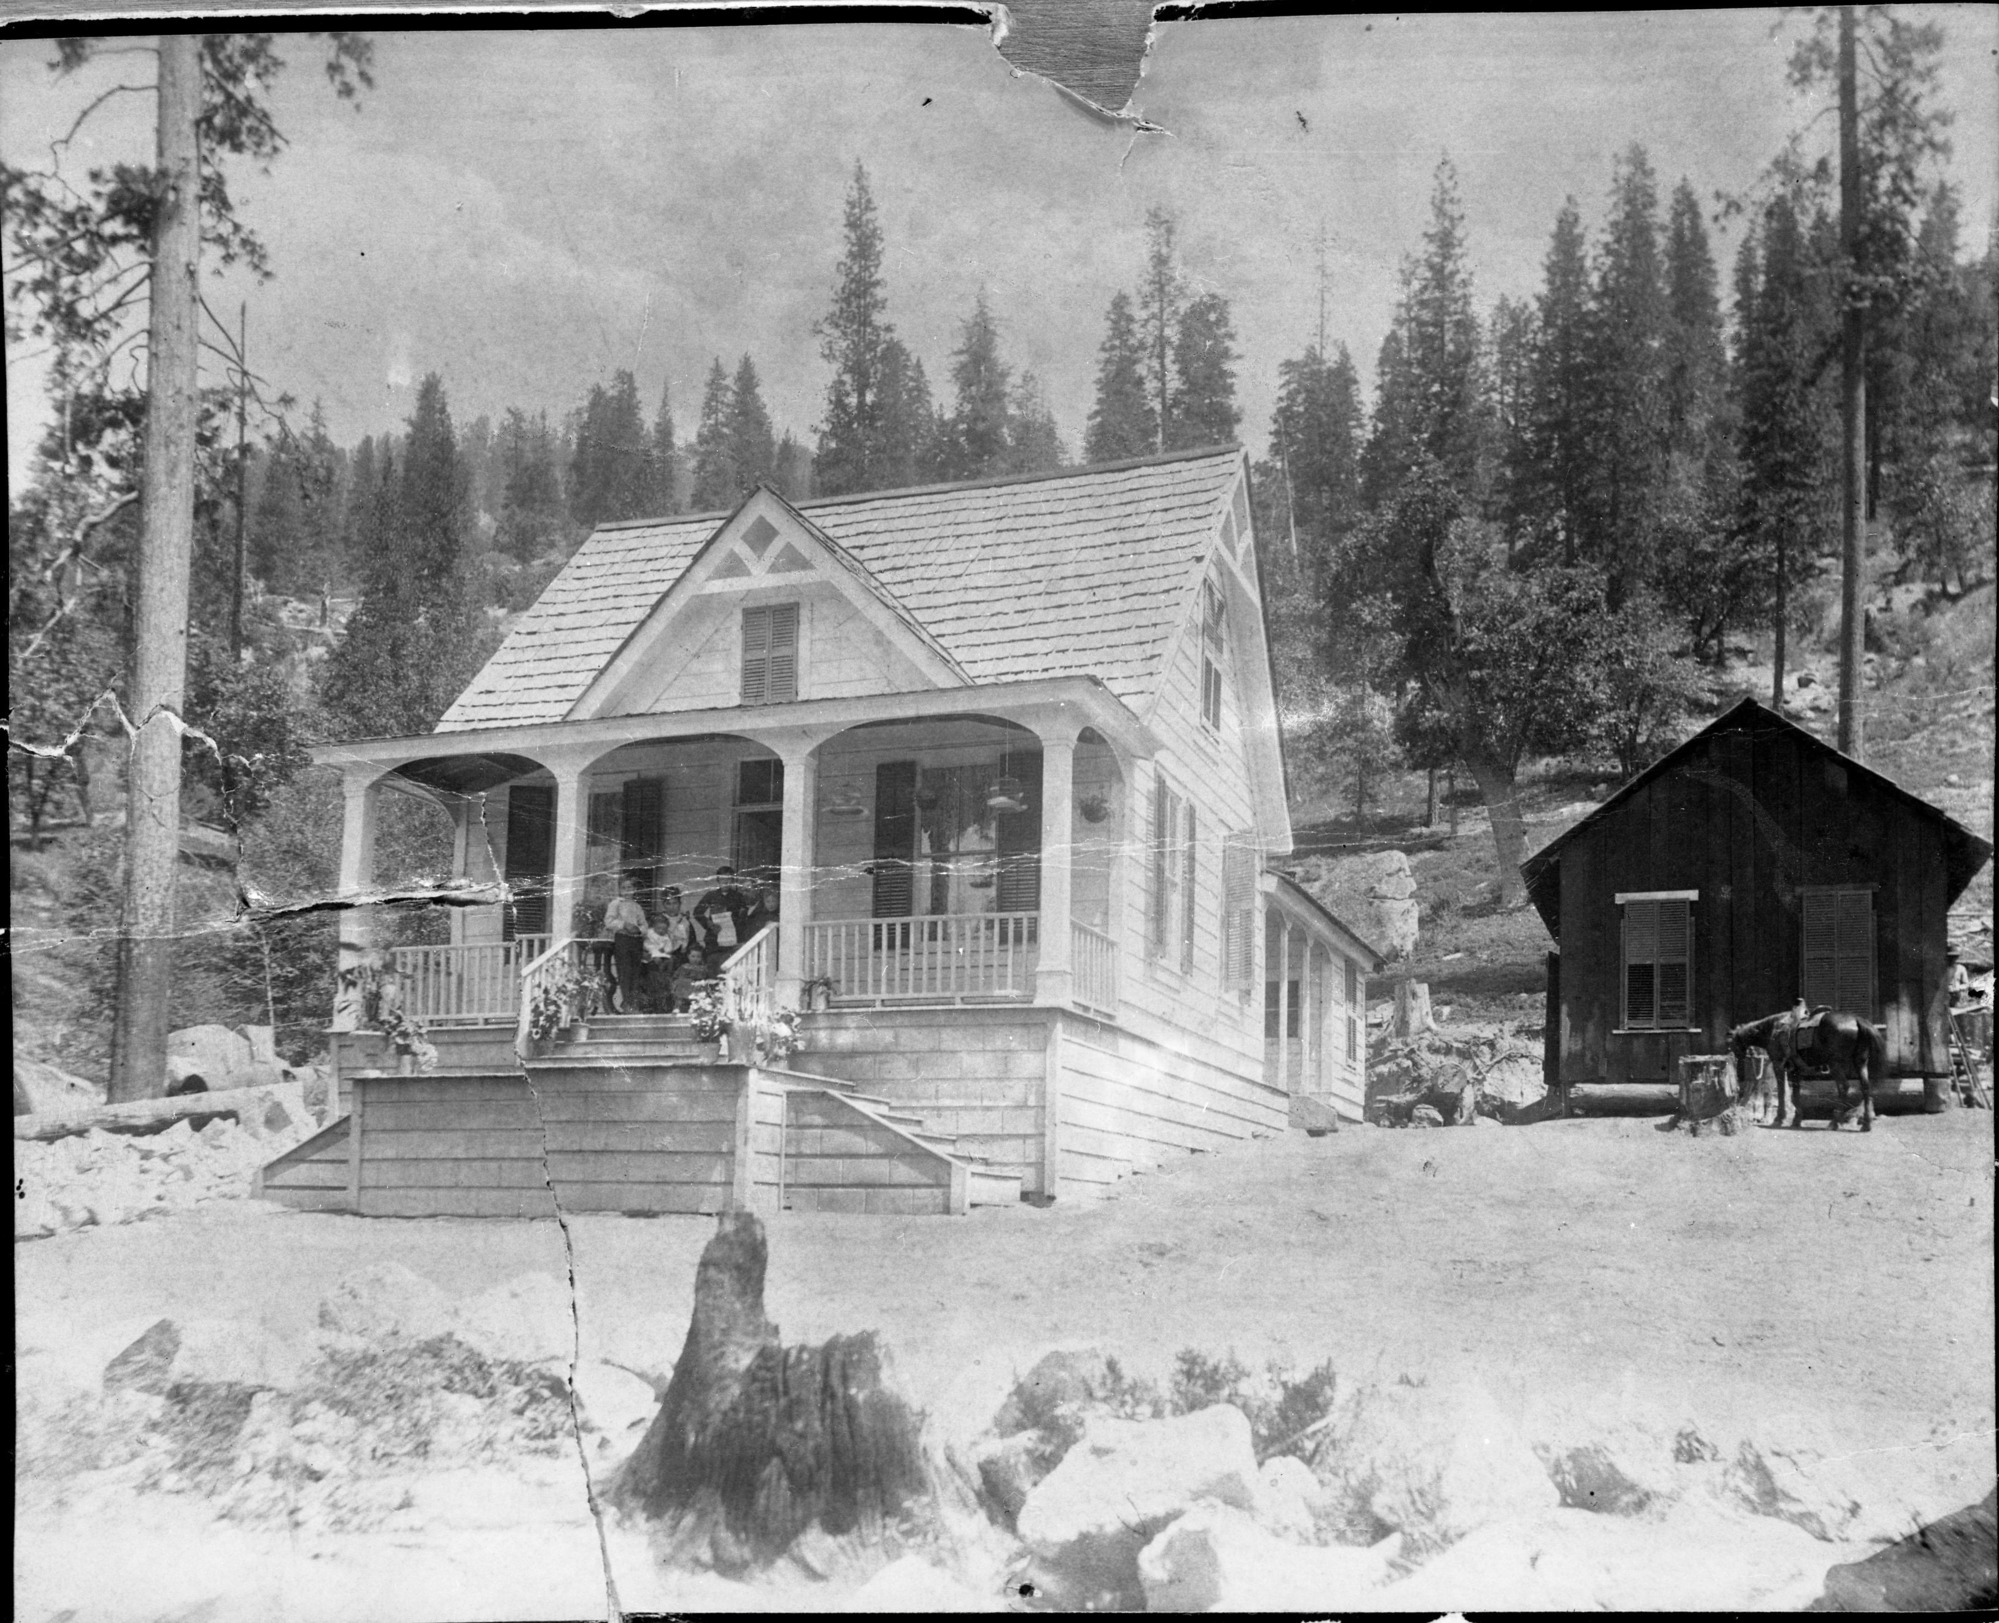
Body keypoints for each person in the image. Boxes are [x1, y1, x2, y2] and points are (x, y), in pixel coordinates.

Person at [603, 873, 649, 1014]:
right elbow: (609, 921)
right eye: (624, 887)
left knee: (635, 973)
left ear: (634, 889)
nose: (627, 890)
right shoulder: (616, 904)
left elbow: (644, 925)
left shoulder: (637, 906)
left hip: (635, 941)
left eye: (630, 887)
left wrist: (638, 930)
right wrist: (624, 925)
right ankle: (627, 1002)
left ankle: (631, 1004)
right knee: (625, 972)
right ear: (620, 890)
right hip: (622, 940)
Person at [693, 865, 751, 957]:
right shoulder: (711, 895)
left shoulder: (738, 897)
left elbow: (743, 917)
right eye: (722, 879)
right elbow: (697, 912)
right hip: (714, 937)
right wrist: (710, 924)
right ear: (718, 880)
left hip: (732, 937)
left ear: (732, 880)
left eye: (728, 879)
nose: (725, 882)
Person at [670, 947, 709, 1014]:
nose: (695, 959)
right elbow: (676, 976)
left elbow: (704, 977)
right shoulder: (684, 967)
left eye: (698, 957)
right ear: (688, 956)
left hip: (697, 985)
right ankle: (677, 1007)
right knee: (680, 984)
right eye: (693, 956)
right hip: (685, 986)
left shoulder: (702, 968)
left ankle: (697, 1007)